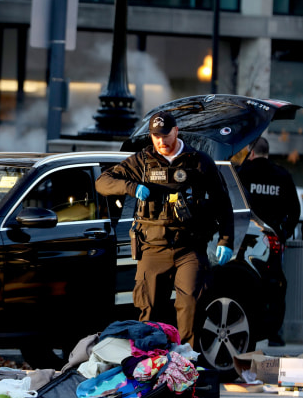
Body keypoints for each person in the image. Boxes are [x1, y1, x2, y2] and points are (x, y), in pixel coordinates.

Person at [95, 110, 235, 347]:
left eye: (165, 135)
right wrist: (131, 187)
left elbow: (223, 202)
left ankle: (187, 365)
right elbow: (103, 182)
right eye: (155, 136)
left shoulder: (199, 161)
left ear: (176, 131)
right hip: (153, 248)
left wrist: (226, 240)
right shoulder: (142, 161)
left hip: (189, 248)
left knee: (190, 305)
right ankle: (152, 368)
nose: (161, 141)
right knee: (148, 312)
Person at [237, 136, 300, 346]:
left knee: (244, 284)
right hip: (272, 242)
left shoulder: (242, 173)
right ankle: (275, 333)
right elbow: (294, 211)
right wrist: (283, 234)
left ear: (251, 152)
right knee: (274, 286)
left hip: (244, 240)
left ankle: (247, 326)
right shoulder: (282, 175)